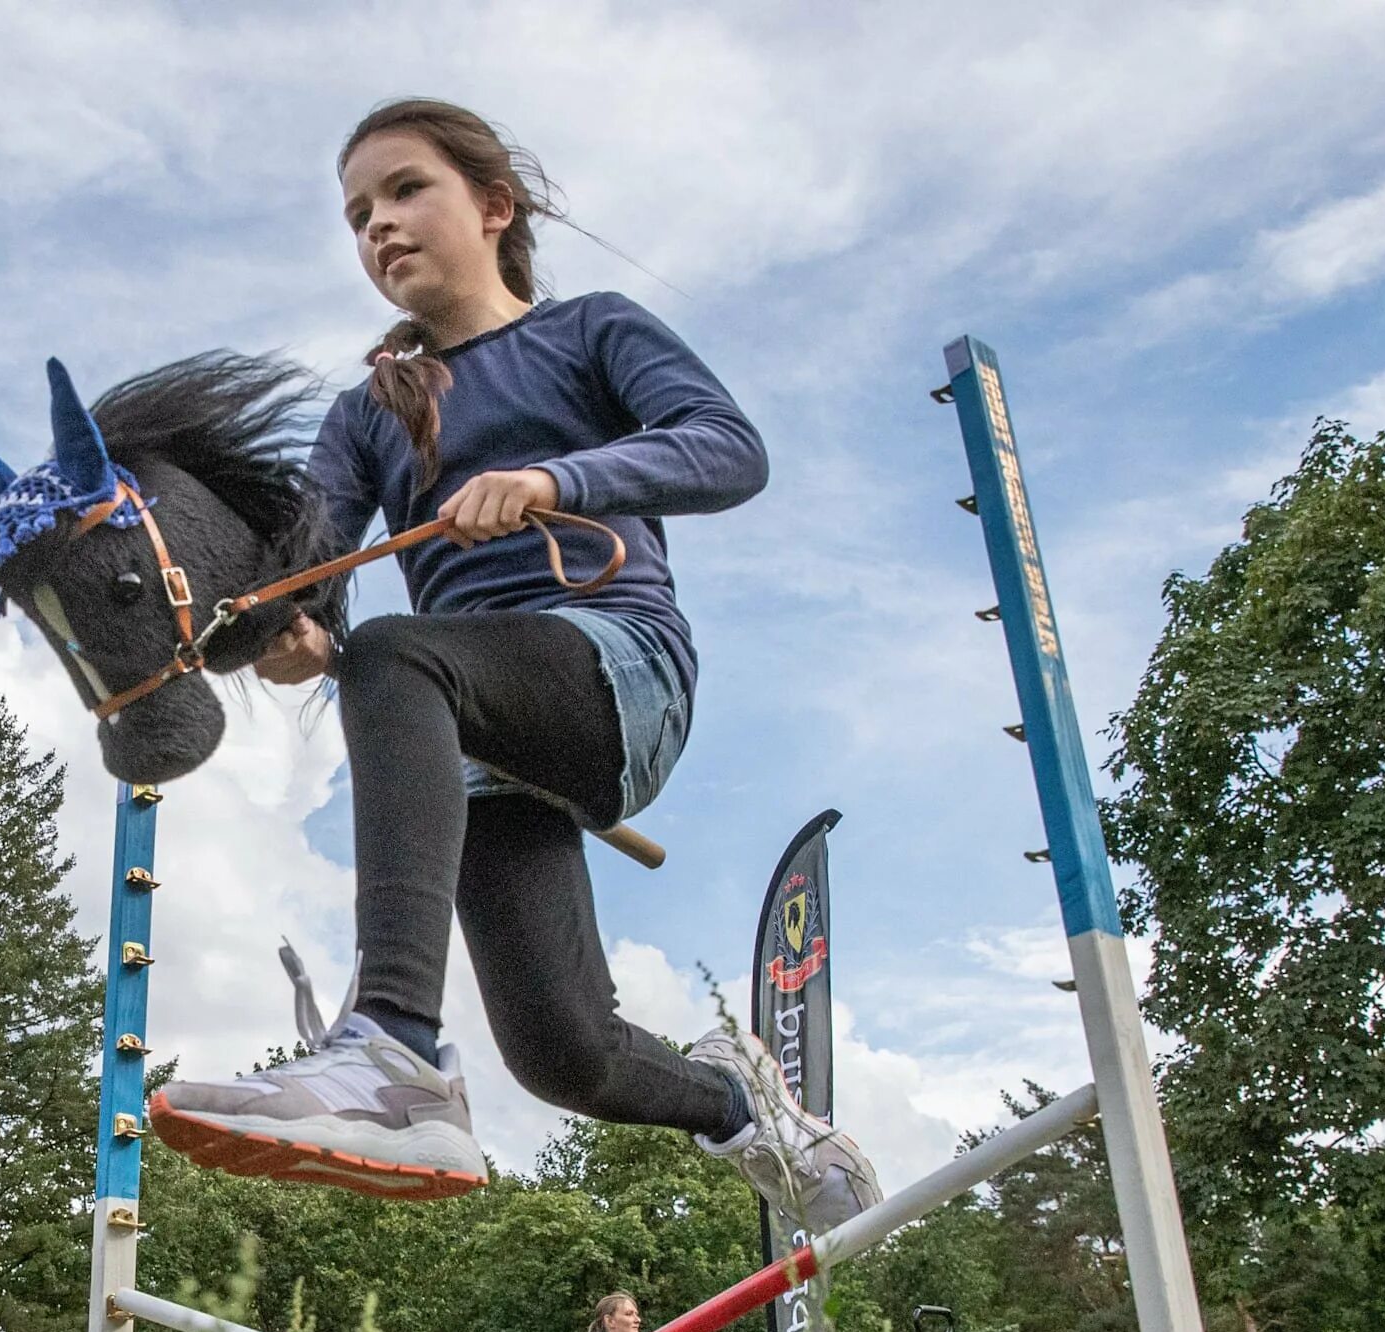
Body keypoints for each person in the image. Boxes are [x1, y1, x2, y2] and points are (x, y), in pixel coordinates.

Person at [150, 98, 880, 1232]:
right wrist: (289, 635)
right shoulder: (364, 416)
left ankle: (390, 1040)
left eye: (403, 191)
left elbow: (731, 449)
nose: (377, 226)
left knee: (395, 656)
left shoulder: (588, 330)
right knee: (562, 1052)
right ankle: (741, 1105)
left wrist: (554, 481)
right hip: (477, 730)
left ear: (495, 207)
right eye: (356, 216)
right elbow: (315, 573)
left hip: (615, 667)